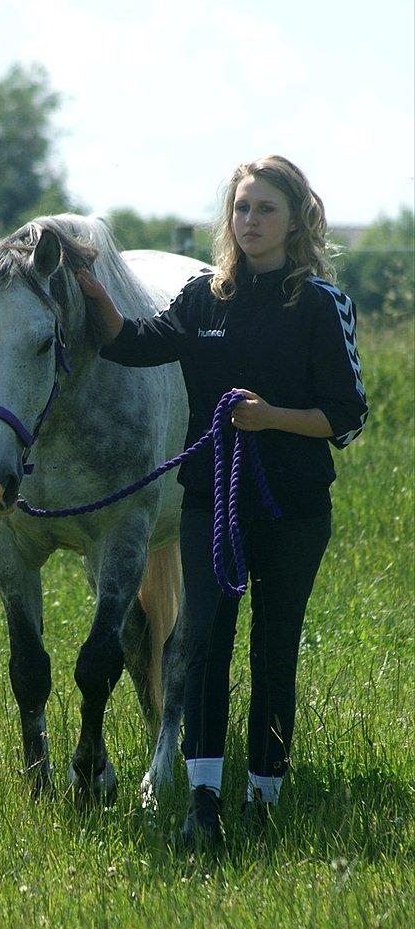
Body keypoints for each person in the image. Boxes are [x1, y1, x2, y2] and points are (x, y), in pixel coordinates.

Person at [76, 155, 368, 850]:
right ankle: (202, 799)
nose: (251, 221)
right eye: (241, 208)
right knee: (202, 644)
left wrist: (270, 418)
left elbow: (347, 415)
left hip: (293, 509)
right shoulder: (205, 296)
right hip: (213, 500)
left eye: (265, 208)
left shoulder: (319, 304)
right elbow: (134, 343)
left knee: (272, 652)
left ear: (296, 217)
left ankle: (263, 795)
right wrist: (91, 294)